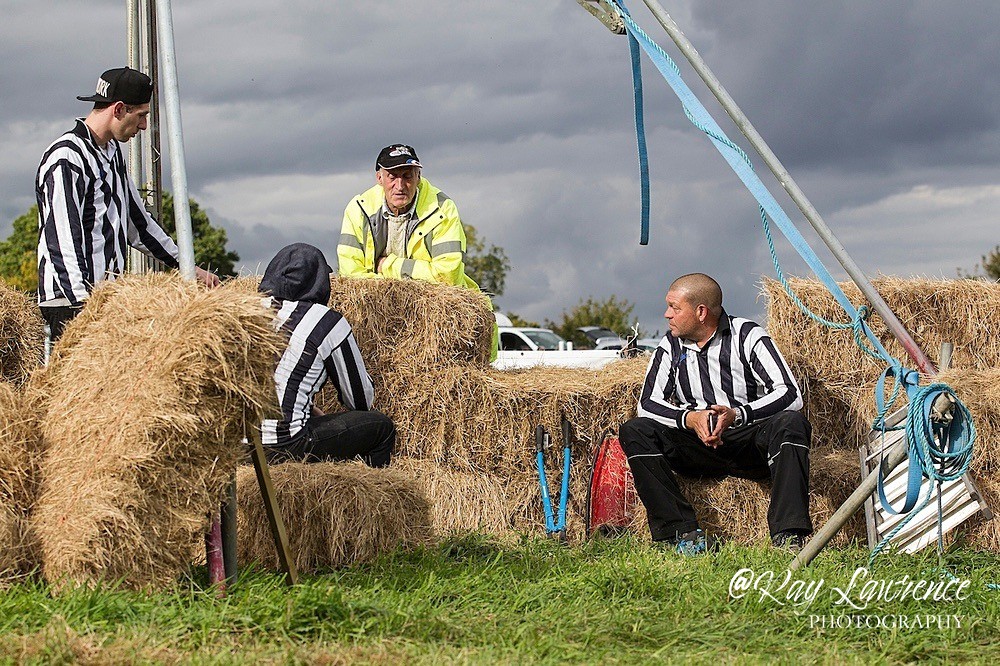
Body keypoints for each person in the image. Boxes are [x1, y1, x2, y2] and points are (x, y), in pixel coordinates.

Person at [618, 273, 812, 555]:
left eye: (674, 307)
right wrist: (691, 419)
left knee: (791, 423)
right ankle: (681, 534)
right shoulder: (670, 345)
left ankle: (788, 536)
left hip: (748, 444)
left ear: (700, 312)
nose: (666, 314)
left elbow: (790, 394)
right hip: (697, 448)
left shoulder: (747, 335)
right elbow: (648, 403)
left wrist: (738, 414)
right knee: (635, 430)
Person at [35, 66, 219, 341]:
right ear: (119, 109)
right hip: (71, 304)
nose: (144, 126)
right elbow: (62, 240)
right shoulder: (67, 158)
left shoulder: (111, 154)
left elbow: (139, 225)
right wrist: (85, 309)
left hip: (103, 303)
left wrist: (188, 267)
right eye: (142, 115)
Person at [259, 243, 395, 467]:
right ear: (320, 281)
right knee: (381, 427)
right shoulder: (326, 320)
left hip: (237, 447)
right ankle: (368, 498)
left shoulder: (248, 310)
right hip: (285, 446)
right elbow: (360, 399)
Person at [337, 144, 479, 289]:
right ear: (379, 178)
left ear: (418, 177)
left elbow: (448, 277)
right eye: (392, 177)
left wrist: (387, 265)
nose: (400, 186)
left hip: (437, 306)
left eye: (407, 176)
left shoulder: (442, 208)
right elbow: (350, 276)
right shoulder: (359, 209)